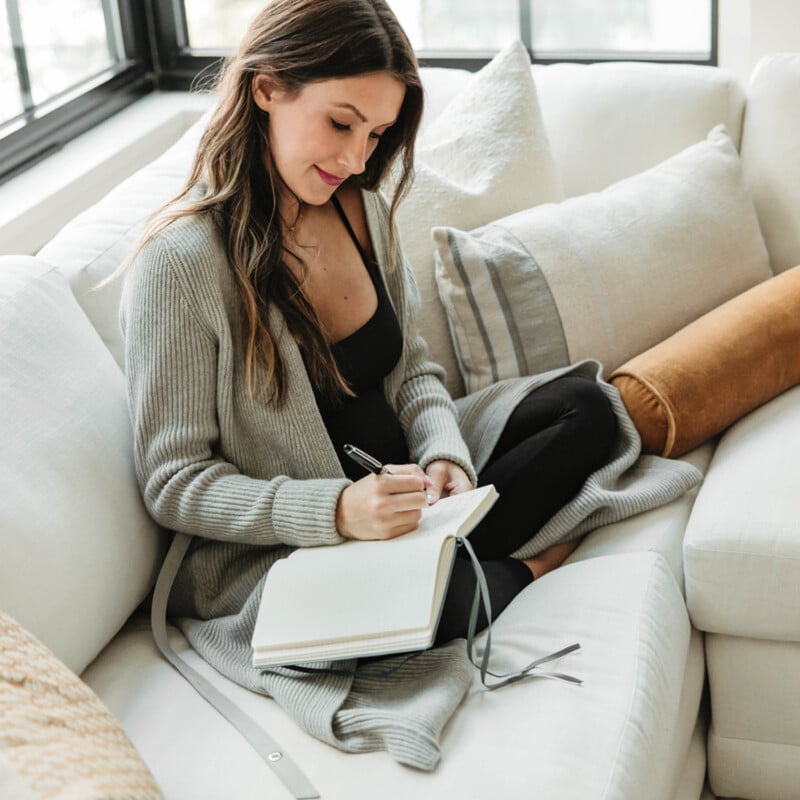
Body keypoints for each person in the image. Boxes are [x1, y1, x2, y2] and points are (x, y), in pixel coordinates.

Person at [121, 0, 699, 772]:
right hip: (294, 544)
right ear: (267, 88)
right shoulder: (181, 264)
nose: (357, 159)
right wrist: (336, 511)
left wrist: (444, 455)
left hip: (406, 499)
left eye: (376, 134)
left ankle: (452, 557)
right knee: (433, 606)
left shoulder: (362, 212)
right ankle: (512, 570)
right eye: (341, 123)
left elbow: (411, 369)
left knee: (586, 410)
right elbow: (174, 482)